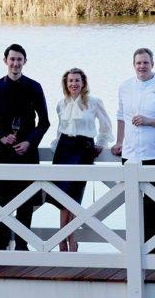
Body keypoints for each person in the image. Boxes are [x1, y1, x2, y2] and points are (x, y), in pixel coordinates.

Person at [111, 48, 155, 254]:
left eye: (145, 62)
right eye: (138, 63)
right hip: (130, 155)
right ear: (133, 65)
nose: (142, 66)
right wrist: (119, 141)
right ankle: (136, 247)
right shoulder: (125, 87)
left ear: (152, 64)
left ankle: (153, 248)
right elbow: (121, 116)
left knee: (153, 204)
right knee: (132, 203)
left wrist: (149, 121)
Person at [0, 44, 50, 251]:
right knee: (1, 203)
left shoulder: (34, 87)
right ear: (5, 61)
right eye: (12, 59)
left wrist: (29, 142)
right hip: (4, 152)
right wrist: (0, 138)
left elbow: (44, 122)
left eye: (19, 59)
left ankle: (22, 247)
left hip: (27, 152)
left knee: (26, 203)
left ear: (24, 61)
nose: (15, 63)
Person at [49, 68, 113, 252]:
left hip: (83, 149)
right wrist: (56, 147)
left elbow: (106, 126)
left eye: (77, 80)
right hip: (64, 149)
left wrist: (101, 143)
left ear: (83, 82)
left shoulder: (94, 102)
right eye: (70, 81)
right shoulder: (61, 104)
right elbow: (60, 129)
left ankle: (70, 237)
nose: (74, 84)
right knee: (61, 196)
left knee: (74, 196)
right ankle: (64, 239)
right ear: (66, 83)